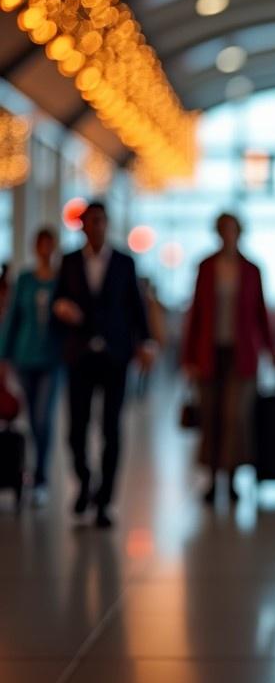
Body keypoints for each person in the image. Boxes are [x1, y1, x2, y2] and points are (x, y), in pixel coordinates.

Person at [53, 202, 154, 528]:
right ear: (82, 226)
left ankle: (105, 500)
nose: (96, 227)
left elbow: (136, 307)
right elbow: (57, 300)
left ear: (107, 225)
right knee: (76, 430)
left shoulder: (124, 262)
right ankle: (84, 481)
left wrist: (145, 342)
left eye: (100, 222)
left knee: (111, 427)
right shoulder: (69, 262)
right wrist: (62, 310)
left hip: (115, 356)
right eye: (90, 222)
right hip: (80, 355)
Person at [182, 213, 275, 504]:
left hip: (241, 355)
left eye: (232, 230)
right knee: (210, 414)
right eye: (223, 230)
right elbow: (196, 312)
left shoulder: (251, 270)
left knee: (235, 416)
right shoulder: (206, 268)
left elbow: (261, 312)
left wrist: (272, 351)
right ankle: (211, 477)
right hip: (209, 354)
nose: (228, 235)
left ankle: (232, 475)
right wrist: (188, 357)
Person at [0, 228, 60, 505]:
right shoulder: (24, 280)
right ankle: (27, 469)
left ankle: (41, 475)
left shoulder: (61, 281)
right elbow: (13, 318)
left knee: (42, 418)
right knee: (29, 415)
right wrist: (4, 354)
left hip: (51, 358)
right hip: (25, 357)